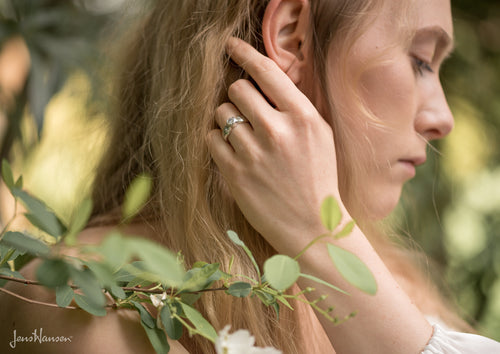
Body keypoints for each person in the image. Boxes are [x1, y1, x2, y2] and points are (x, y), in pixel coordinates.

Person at [1, 0, 499, 353]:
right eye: (418, 60)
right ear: (291, 37)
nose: (442, 118)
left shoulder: (395, 281)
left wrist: (320, 238)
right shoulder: (85, 301)